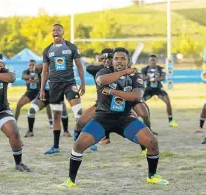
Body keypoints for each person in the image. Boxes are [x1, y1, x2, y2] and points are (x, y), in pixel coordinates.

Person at [58, 47, 169, 189]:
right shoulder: (105, 71)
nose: (119, 61)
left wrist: (112, 91)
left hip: (125, 118)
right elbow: (101, 80)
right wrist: (123, 72)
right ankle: (70, 180)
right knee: (78, 145)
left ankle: (152, 176)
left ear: (129, 61)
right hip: (102, 118)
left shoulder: (136, 77)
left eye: (122, 58)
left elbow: (137, 96)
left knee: (152, 142)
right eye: (116, 58)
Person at [41, 23, 85, 154]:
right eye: (53, 30)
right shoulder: (47, 50)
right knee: (56, 116)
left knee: (78, 113)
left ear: (63, 32)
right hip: (54, 86)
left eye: (58, 30)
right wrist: (42, 88)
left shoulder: (71, 47)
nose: (55, 32)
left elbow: (79, 66)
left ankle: (82, 142)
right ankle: (55, 146)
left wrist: (82, 83)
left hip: (70, 84)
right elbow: (45, 71)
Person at [25, 65, 71, 137]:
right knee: (31, 110)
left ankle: (66, 131)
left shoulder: (59, 69)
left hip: (56, 94)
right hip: (44, 94)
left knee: (63, 112)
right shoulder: (43, 68)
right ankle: (30, 131)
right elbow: (36, 68)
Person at [142, 54, 178, 127]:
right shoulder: (144, 69)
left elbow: (163, 77)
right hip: (149, 89)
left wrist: (152, 78)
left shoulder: (161, 68)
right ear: (148, 61)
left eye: (154, 60)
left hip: (158, 89)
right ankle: (139, 122)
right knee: (139, 103)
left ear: (156, 61)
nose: (152, 61)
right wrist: (152, 77)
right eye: (151, 60)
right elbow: (142, 77)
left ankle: (171, 121)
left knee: (168, 101)